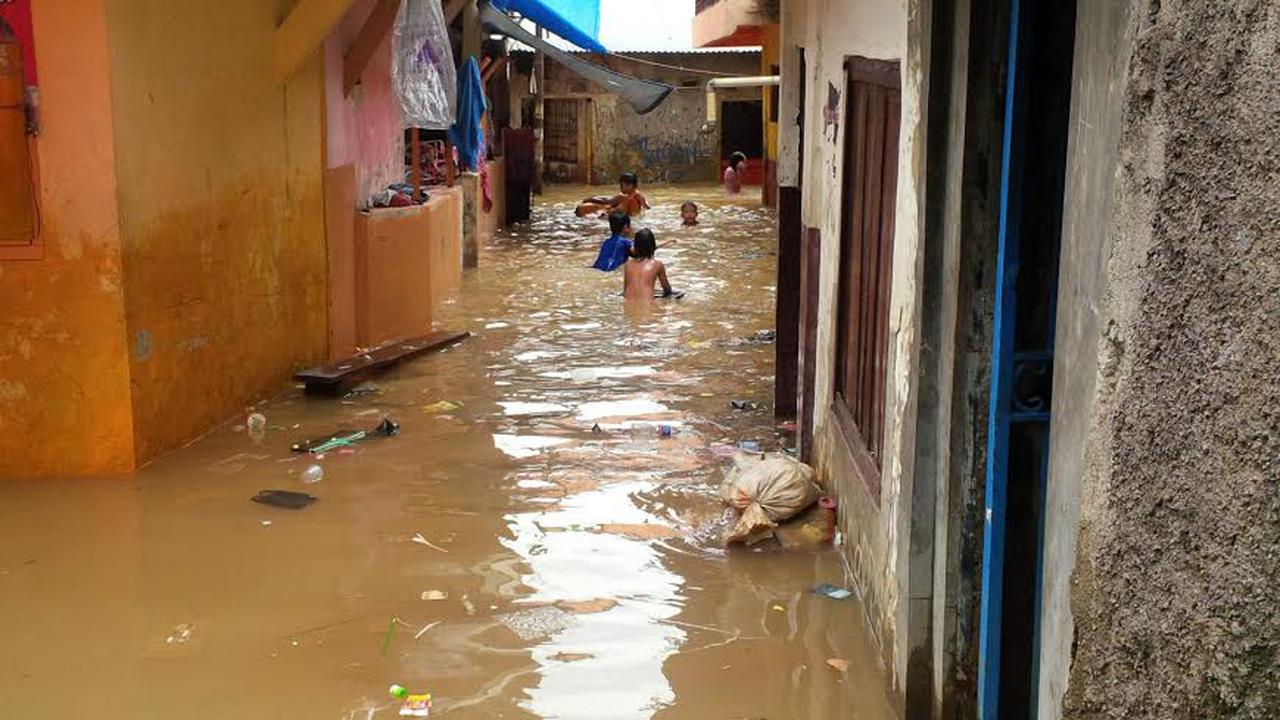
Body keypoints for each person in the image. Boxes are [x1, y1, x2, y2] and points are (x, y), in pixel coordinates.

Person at [623, 229, 673, 300]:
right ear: (653, 246)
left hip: (628, 303)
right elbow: (667, 290)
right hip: (648, 304)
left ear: (635, 246)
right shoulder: (657, 264)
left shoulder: (627, 264)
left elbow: (625, 290)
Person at [577, 172, 650, 217]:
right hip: (633, 217)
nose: (620, 188)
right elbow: (646, 208)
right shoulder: (639, 194)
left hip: (625, 218)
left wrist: (590, 199)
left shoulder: (624, 196)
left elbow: (606, 202)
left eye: (622, 186)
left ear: (630, 186)